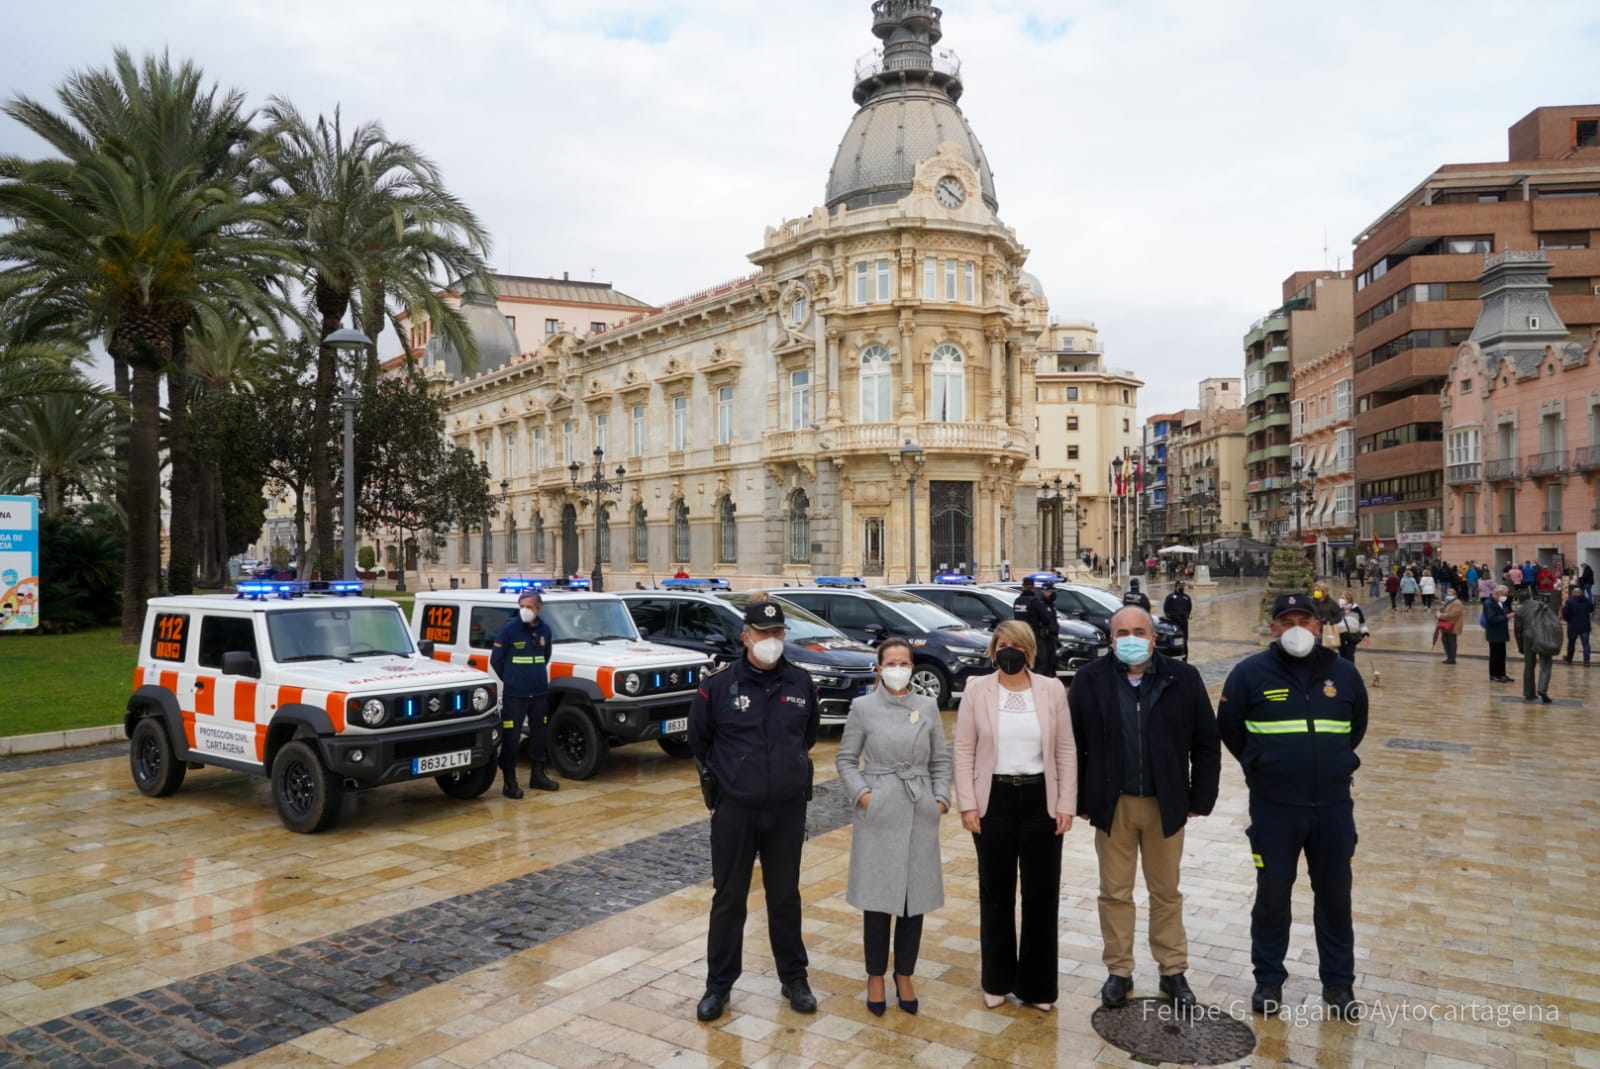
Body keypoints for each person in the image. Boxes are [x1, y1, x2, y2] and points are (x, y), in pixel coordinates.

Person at [1219, 593, 1368, 1019]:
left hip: (1333, 807)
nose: (1297, 628)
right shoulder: (1249, 674)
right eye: (1287, 621)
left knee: (1336, 897)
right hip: (1275, 808)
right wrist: (1261, 765)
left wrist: (1333, 762)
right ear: (1273, 628)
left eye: (1305, 619)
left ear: (1320, 625)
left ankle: (1338, 986)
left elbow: (1355, 727)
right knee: (1272, 895)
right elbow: (1230, 730)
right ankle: (1268, 980)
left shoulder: (1344, 675)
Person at [1070, 607, 1219, 1012]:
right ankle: (1119, 971)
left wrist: (1199, 798)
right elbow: (1073, 745)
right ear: (1111, 638)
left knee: (1166, 892)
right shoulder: (1089, 680)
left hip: (1164, 803)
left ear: (1153, 638)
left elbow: (1206, 740)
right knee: (1115, 893)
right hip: (1112, 805)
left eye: (1139, 631)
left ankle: (1173, 970)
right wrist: (1082, 800)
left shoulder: (1182, 678)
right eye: (1122, 632)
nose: (1130, 638)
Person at [688, 600, 822, 1021]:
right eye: (763, 634)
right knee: (729, 899)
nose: (771, 641)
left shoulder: (801, 682)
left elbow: (809, 736)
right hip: (735, 810)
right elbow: (699, 740)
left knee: (785, 896)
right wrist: (731, 778)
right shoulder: (719, 685)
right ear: (746, 636)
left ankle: (794, 978)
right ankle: (719, 986)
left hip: (786, 808)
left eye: (778, 634)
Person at [953, 619, 1076, 1012]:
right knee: (996, 894)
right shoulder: (977, 689)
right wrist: (968, 803)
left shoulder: (1052, 689)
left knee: (1041, 896)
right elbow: (964, 750)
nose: (1008, 650)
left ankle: (1038, 986)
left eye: (1016, 645)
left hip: (1041, 799)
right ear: (992, 649)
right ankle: (997, 980)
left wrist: (1066, 804)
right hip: (995, 800)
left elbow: (1066, 750)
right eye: (1001, 643)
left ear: (1029, 650)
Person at [836, 638, 951, 1017]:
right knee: (878, 898)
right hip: (880, 809)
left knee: (912, 900)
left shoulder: (927, 706)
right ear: (879, 668)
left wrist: (940, 799)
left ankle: (905, 974)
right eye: (891, 662)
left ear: (912, 666)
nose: (898, 667)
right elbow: (846, 760)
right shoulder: (863, 708)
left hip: (920, 808)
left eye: (905, 661)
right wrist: (865, 796)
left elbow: (941, 759)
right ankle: (874, 975)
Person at [489, 589, 558, 798]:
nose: (524, 611)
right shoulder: (509, 630)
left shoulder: (545, 630)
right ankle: (510, 781)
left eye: (528, 607)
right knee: (511, 735)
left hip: (538, 692)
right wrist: (511, 679)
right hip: (515, 693)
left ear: (539, 608)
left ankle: (538, 774)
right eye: (521, 606)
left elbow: (545, 657)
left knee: (539, 733)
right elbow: (496, 660)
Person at [1515, 596, 1560, 703]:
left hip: (1527, 638)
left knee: (1529, 666)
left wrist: (1520, 646)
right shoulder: (1544, 607)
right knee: (1546, 664)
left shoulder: (1520, 610)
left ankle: (1529, 693)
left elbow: (1518, 631)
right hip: (1543, 637)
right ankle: (1542, 689)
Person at [1011, 576, 1058, 676]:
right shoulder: (1036, 602)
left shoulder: (1017, 601)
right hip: (1034, 636)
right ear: (1033, 587)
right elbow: (1046, 619)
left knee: (1024, 660)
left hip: (1021, 636)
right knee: (1040, 662)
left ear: (1022, 587)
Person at [1483, 588, 1514, 684]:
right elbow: (1491, 618)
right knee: (1495, 655)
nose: (1503, 597)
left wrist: (1507, 614)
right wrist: (1506, 617)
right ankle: (1494, 675)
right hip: (1494, 633)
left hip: (1502, 632)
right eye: (1502, 594)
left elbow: (1505, 611)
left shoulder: (1500, 603)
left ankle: (1502, 674)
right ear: (1496, 593)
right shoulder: (1489, 603)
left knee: (1502, 655)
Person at [1162, 581, 1193, 661]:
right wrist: (1170, 617)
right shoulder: (1171, 597)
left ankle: (1185, 659)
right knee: (1173, 640)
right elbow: (1166, 608)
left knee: (1184, 641)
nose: (1181, 588)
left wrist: (1186, 616)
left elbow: (1189, 608)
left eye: (1182, 586)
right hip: (1173, 622)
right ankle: (1172, 657)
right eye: (1180, 586)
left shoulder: (1186, 597)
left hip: (1183, 622)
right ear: (1176, 587)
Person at [1334, 596, 1369, 663]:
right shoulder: (1337, 609)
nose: (1340, 599)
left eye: (1343, 598)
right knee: (1342, 655)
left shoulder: (1356, 609)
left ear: (1348, 600)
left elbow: (1362, 623)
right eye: (1340, 598)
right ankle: (1344, 670)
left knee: (1349, 655)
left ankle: (1350, 669)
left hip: (1352, 637)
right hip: (1340, 637)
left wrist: (1365, 634)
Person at [1562, 589, 1593, 665]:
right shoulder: (1587, 602)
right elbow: (1591, 609)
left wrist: (1568, 619)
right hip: (1585, 626)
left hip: (1573, 626)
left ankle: (1569, 659)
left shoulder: (1570, 602)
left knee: (1571, 643)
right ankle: (1586, 661)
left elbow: (1566, 614)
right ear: (1581, 594)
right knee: (1586, 644)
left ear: (1573, 594)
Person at [1436, 588, 1465, 665]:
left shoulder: (1457, 603)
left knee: (1451, 642)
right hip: (1445, 625)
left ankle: (1452, 658)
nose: (1448, 595)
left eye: (1451, 594)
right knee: (1445, 640)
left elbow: (1452, 614)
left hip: (1453, 625)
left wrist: (1440, 615)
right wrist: (1440, 611)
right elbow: (1444, 610)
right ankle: (1449, 657)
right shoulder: (1448, 602)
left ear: (1455, 595)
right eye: (1448, 594)